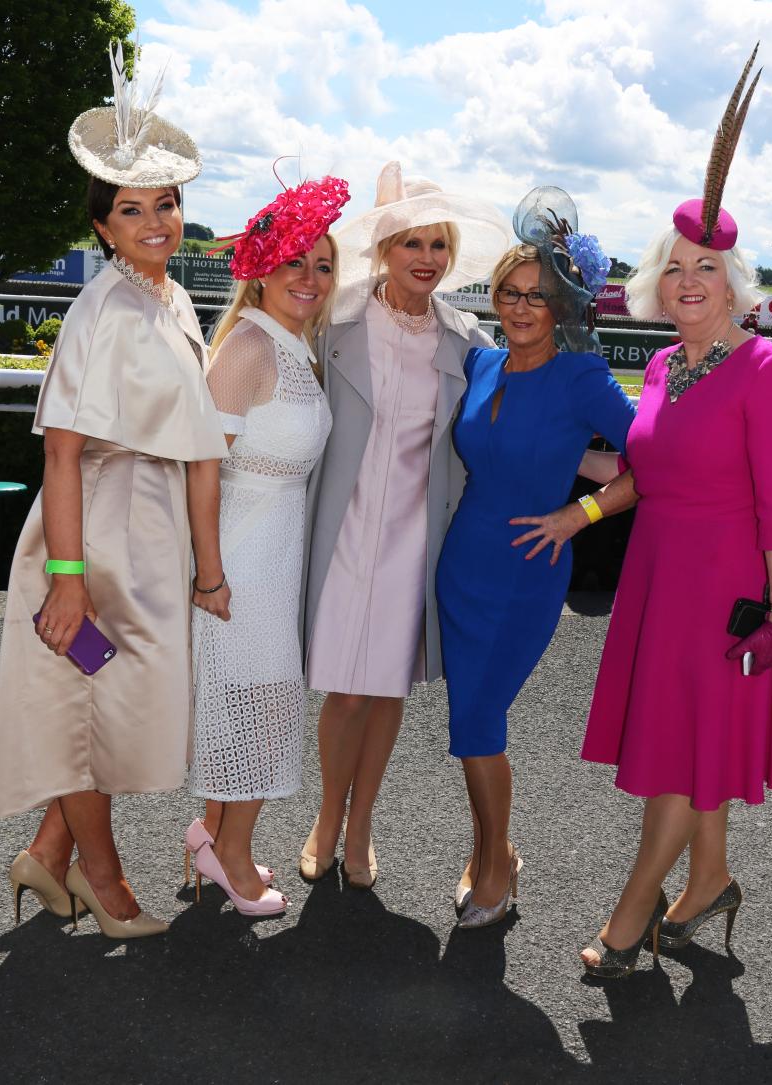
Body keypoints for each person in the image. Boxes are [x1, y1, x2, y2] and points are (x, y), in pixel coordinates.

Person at [544, 51, 772, 979]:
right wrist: (571, 498)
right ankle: (709, 881)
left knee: (675, 756)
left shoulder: (770, 373)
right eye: (676, 268)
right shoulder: (661, 368)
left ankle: (628, 922)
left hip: (725, 590)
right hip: (659, 576)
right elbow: (640, 472)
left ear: (736, 284)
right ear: (656, 282)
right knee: (689, 742)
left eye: (709, 269)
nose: (689, 281)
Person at [0, 43, 228, 937]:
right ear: (102, 226)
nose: (154, 221)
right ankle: (104, 877)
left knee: (110, 705)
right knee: (86, 703)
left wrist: (202, 565)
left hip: (146, 537)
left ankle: (46, 856)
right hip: (90, 535)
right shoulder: (100, 310)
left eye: (164, 204)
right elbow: (62, 453)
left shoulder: (170, 298)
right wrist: (65, 575)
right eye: (131, 210)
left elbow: (194, 439)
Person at [300, 161, 512, 888]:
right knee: (345, 687)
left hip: (415, 533)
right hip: (342, 520)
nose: (425, 259)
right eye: (410, 244)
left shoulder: (466, 340)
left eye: (437, 246)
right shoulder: (335, 320)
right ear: (384, 250)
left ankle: (362, 829)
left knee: (385, 684)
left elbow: (508, 422)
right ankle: (327, 815)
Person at [436, 188, 636, 928]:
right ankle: (493, 851)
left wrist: (578, 512)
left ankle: (496, 865)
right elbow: (515, 446)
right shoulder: (481, 363)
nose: (522, 308)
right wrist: (575, 467)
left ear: (565, 306)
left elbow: (652, 462)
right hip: (461, 567)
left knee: (479, 721)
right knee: (468, 724)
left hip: (525, 571)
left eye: (539, 297)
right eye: (512, 293)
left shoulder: (580, 377)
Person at [185, 172, 349, 915]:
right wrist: (213, 576)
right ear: (261, 270)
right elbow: (201, 466)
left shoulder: (294, 348)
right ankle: (233, 854)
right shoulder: (250, 346)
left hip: (273, 553)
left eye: (322, 264)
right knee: (263, 705)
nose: (310, 278)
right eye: (294, 262)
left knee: (252, 700)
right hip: (241, 556)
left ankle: (210, 836)